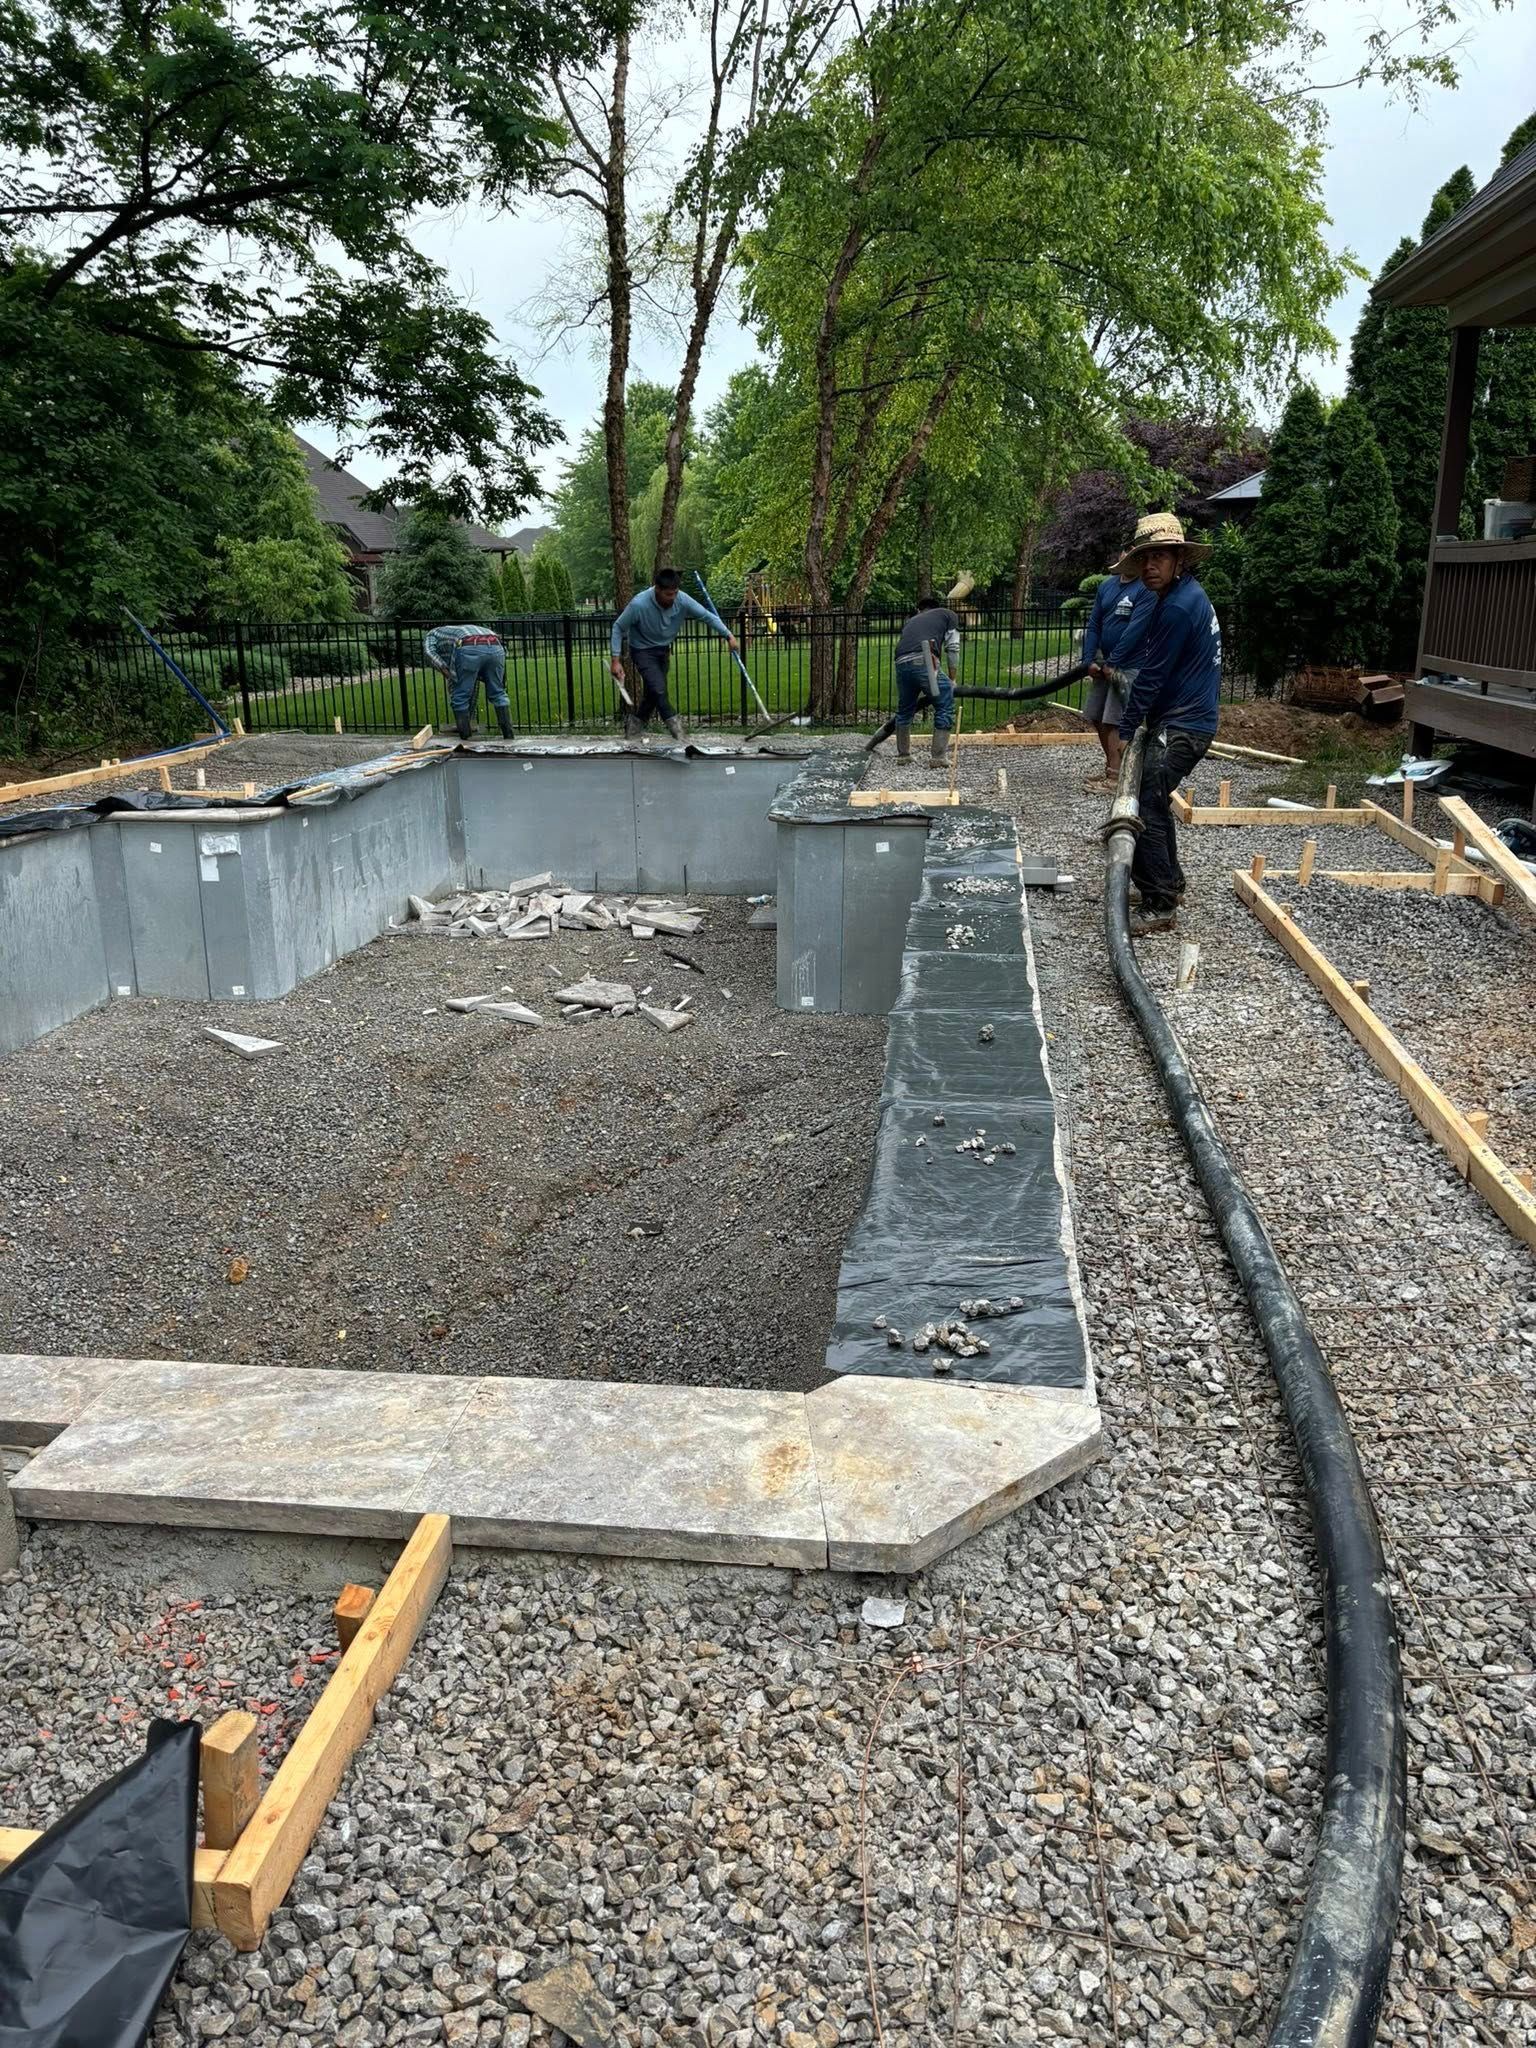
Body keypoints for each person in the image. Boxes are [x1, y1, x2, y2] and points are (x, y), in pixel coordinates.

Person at [1113, 513, 1222, 936]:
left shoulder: (1177, 606)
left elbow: (1152, 676)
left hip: (1184, 725)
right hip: (1187, 719)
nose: (1149, 566)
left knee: (1144, 800)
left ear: (1179, 559)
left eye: (1159, 557)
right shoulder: (1184, 595)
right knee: (1154, 798)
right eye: (1144, 558)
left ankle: (1160, 902)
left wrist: (1125, 731)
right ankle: (1169, 882)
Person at [609, 567, 739, 740]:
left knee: (652, 694)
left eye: (675, 593)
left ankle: (633, 730)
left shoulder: (682, 599)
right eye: (668, 594)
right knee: (659, 690)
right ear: (657, 589)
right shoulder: (639, 604)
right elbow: (618, 627)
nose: (673, 598)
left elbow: (707, 616)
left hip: (663, 650)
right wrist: (615, 660)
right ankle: (679, 733)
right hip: (642, 651)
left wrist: (729, 635)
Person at [1079, 562, 1156, 792]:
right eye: (1127, 551)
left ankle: (1115, 778)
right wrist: (1088, 659)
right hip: (1104, 666)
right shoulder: (1107, 586)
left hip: (1129, 666)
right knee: (1096, 716)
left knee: (1114, 721)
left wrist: (1114, 662)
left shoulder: (1145, 589)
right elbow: (1095, 624)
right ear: (1121, 556)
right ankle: (1113, 768)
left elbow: (1136, 630)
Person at [890, 592, 961, 764]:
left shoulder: (911, 621)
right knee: (944, 703)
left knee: (905, 709)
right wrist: (952, 680)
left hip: (901, 663)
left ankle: (903, 755)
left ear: (919, 610)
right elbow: (953, 648)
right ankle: (938, 757)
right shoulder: (948, 614)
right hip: (925, 660)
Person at [424, 623, 514, 740]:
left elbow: (429, 652)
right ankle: (509, 736)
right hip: (496, 645)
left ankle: (466, 739)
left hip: (468, 646)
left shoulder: (431, 634)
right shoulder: (461, 630)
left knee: (460, 696)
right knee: (498, 693)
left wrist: (444, 669)